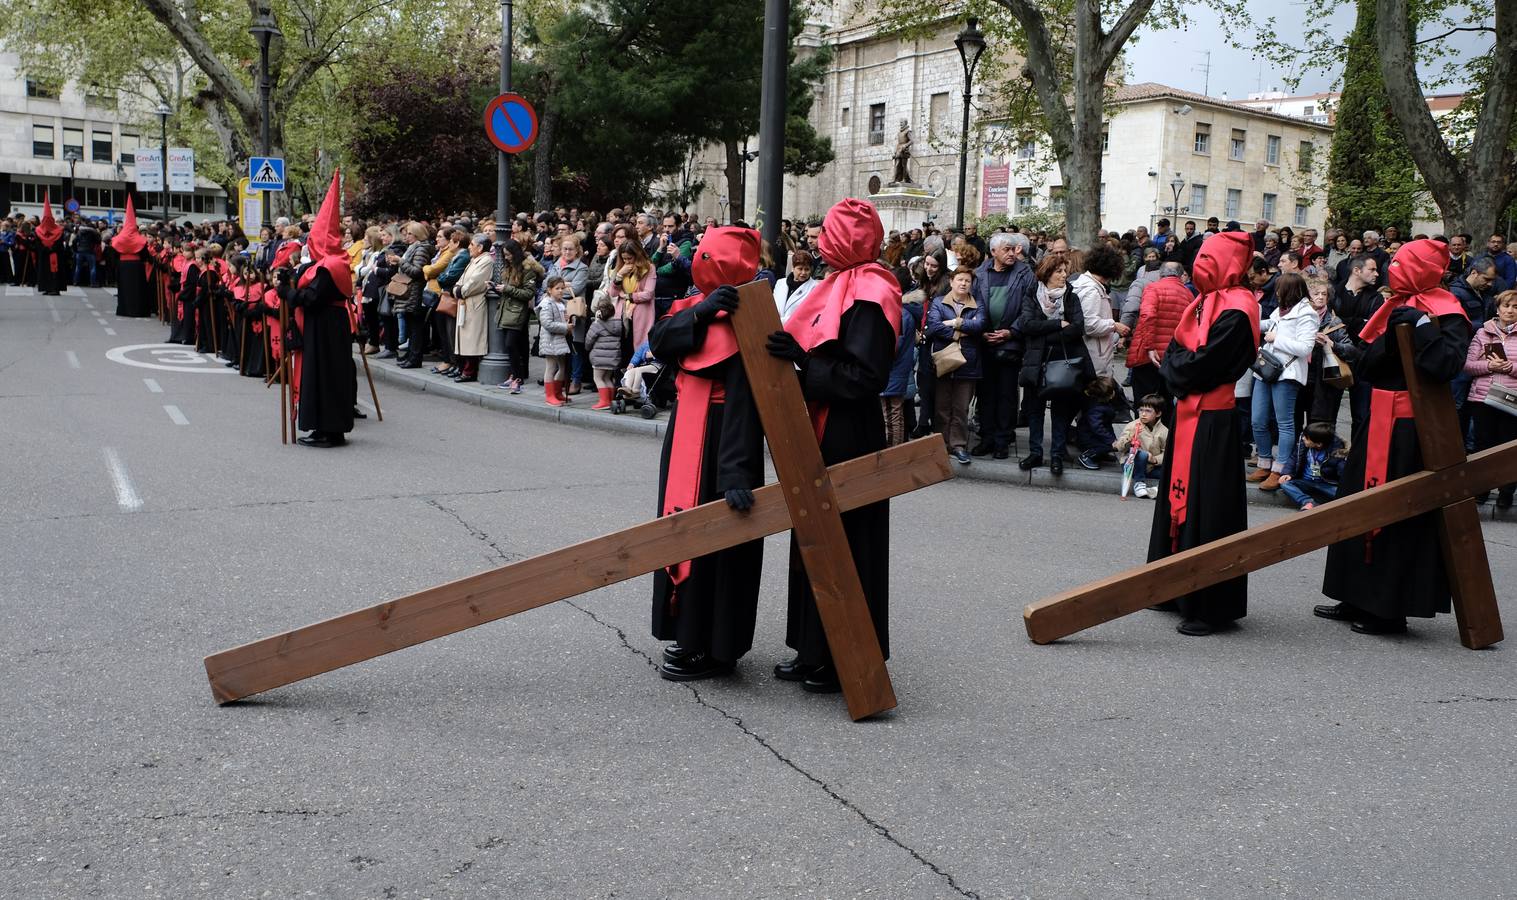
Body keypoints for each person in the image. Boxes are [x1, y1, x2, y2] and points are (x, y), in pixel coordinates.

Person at [768, 198, 902, 694]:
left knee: (844, 541)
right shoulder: (837, 283)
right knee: (813, 537)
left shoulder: (871, 292)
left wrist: (803, 364)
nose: (819, 244)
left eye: (829, 234)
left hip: (849, 430)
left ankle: (839, 657)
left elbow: (864, 377)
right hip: (823, 423)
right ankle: (812, 649)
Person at [1319, 238, 1472, 634]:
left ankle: (1387, 608)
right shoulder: (1392, 307)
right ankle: (1354, 595)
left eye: (1403, 263)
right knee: (1357, 504)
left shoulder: (1448, 313)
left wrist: (1421, 329)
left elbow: (1445, 365)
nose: (1392, 269)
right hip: (1378, 418)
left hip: (1412, 427)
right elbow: (1369, 366)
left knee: (1398, 515)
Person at [647, 227, 766, 681]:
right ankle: (686, 634)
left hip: (725, 441)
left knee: (721, 547)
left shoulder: (751, 318)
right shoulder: (692, 304)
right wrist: (701, 312)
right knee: (682, 536)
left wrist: (735, 472)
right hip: (686, 435)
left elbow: (746, 400)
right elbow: (660, 341)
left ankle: (717, 649)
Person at [1148, 231, 1261, 636]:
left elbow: (1201, 365)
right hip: (1189, 415)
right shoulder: (1202, 302)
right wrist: (1176, 367)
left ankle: (1209, 605)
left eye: (1208, 260)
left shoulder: (1238, 308)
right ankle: (1172, 587)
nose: (1200, 266)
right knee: (1182, 500)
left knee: (1209, 507)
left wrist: (1174, 369)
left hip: (1214, 420)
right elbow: (1178, 351)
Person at [281, 171, 358, 447]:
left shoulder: (330, 266)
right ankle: (319, 426)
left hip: (326, 327)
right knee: (321, 375)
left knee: (326, 376)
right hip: (323, 325)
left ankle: (330, 429)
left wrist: (288, 293)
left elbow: (313, 298)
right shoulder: (327, 264)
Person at [1018, 252, 1090, 474]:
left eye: (1064, 271)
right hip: (1036, 360)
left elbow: (1078, 328)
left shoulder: (1071, 296)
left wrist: (1047, 332)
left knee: (1060, 411)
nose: (1063, 275)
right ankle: (1035, 453)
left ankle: (1057, 455)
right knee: (1035, 410)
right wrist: (1058, 323)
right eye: (1059, 271)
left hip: (1063, 360)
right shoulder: (1032, 294)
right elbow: (1026, 325)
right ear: (1047, 273)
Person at [1248, 272, 1318, 491]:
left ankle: (1280, 469)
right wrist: (1248, 320)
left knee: (1284, 423)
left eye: (1279, 289)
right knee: (1258, 419)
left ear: (1289, 290)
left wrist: (1276, 338)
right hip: (1266, 369)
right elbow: (1270, 323)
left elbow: (1305, 348)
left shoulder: (1307, 313)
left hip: (1287, 374)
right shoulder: (1282, 309)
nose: (1276, 292)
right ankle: (1264, 463)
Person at [971, 233, 1034, 459]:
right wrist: (981, 329)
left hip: (1011, 344)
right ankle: (986, 437)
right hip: (984, 343)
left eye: (1013, 249)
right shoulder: (980, 274)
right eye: (1007, 249)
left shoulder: (1025, 274)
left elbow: (1029, 308)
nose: (1012, 253)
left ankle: (1002, 440)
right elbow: (973, 303)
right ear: (993, 252)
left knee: (1006, 395)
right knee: (985, 394)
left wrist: (1011, 332)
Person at [1463, 290, 1517, 507]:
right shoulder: (1482, 333)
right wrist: (1489, 366)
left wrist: (1511, 367)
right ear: (1497, 309)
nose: (1510, 310)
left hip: (1512, 398)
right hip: (1483, 398)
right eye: (1506, 306)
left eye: (1515, 307)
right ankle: (1481, 489)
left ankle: (1506, 491)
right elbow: (1467, 365)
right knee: (1483, 445)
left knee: (1509, 446)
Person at [926, 267, 985, 464]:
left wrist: (954, 322)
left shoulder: (978, 304)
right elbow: (933, 326)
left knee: (961, 408)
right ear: (951, 282)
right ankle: (941, 444)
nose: (963, 283)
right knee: (942, 406)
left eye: (967, 281)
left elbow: (980, 326)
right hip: (944, 360)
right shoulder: (938, 302)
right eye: (960, 279)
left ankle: (958, 445)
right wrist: (960, 331)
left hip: (968, 363)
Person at [1127, 261, 1192, 403]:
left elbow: (1147, 316)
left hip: (1148, 356)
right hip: (1172, 357)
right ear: (1181, 276)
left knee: (1144, 402)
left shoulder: (1153, 288)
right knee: (1165, 402)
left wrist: (1150, 347)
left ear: (1160, 274)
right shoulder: (1188, 294)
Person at [491, 238, 544, 393]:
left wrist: (507, 289)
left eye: (508, 254)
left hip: (517, 311)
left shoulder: (526, 269)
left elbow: (528, 293)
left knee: (510, 344)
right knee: (517, 344)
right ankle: (515, 374)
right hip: (507, 310)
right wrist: (496, 288)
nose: (506, 257)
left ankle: (517, 377)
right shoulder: (509, 267)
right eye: (505, 255)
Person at [450, 233, 493, 383]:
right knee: (464, 337)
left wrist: (460, 291)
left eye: (472, 244)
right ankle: (462, 368)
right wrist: (457, 289)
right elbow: (461, 280)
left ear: (480, 247)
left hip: (474, 304)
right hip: (465, 302)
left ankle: (470, 371)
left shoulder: (486, 261)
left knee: (472, 339)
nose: (469, 247)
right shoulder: (475, 260)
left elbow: (475, 283)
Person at [1278, 421, 1344, 511]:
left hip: (1326, 484)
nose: (1303, 439)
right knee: (1285, 484)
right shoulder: (1303, 446)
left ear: (1318, 444)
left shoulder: (1336, 452)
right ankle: (1308, 502)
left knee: (1345, 494)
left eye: (1306, 438)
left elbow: (1342, 470)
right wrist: (1287, 473)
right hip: (1306, 482)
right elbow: (1293, 458)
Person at [1114, 394, 1168, 499]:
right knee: (1142, 454)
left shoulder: (1164, 431)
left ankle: (1156, 490)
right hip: (1132, 465)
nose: (1143, 414)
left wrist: (1155, 459)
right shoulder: (1133, 426)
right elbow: (1120, 446)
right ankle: (1139, 483)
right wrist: (1128, 441)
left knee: (1171, 472)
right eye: (1141, 410)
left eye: (1148, 411)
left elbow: (1167, 452)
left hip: (1151, 467)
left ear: (1158, 413)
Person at [111, 197, 150, 318]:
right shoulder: (140, 240)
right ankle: (137, 310)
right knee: (137, 290)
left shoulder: (118, 239)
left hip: (123, 266)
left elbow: (114, 254)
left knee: (124, 289)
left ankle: (124, 310)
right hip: (136, 267)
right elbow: (145, 255)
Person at [537, 275, 573, 406]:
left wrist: (567, 319)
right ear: (549, 290)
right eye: (557, 288)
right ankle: (550, 395)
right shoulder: (546, 304)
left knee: (562, 367)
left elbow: (560, 319)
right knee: (551, 367)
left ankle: (557, 393)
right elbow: (547, 323)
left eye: (562, 288)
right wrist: (565, 327)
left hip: (560, 339)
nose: (560, 291)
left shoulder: (561, 303)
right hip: (550, 339)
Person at [585, 296, 625, 410]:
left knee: (598, 378)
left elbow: (588, 341)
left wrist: (588, 349)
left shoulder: (597, 325)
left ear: (599, 312)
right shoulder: (618, 324)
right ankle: (611, 400)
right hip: (613, 358)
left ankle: (604, 401)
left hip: (599, 358)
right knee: (607, 378)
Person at [773, 248, 816, 323]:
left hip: (797, 329)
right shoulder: (780, 283)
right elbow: (772, 305)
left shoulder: (815, 287)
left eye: (807, 269)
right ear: (793, 268)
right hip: (774, 326)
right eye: (800, 269)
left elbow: (807, 314)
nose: (803, 273)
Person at [34, 198, 65, 296]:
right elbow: (38, 243)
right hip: (44, 255)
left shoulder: (59, 231)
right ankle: (47, 288)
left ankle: (55, 289)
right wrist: (45, 249)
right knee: (45, 272)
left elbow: (60, 243)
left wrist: (51, 249)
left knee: (55, 272)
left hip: (55, 255)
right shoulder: (38, 231)